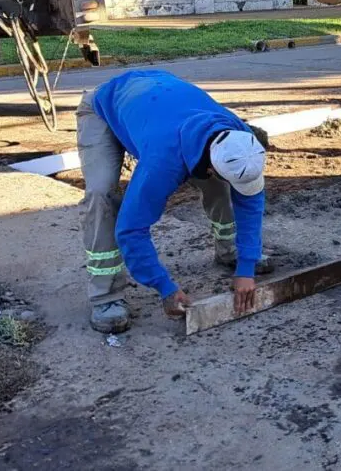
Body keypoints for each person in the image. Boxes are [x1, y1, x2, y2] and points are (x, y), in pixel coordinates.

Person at [75, 69, 272, 333]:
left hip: (155, 97)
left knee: (221, 186)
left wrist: (246, 267)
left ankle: (229, 251)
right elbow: (132, 229)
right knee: (101, 195)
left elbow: (250, 203)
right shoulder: (163, 162)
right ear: (212, 164)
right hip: (103, 108)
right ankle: (105, 297)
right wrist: (164, 287)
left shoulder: (238, 135)